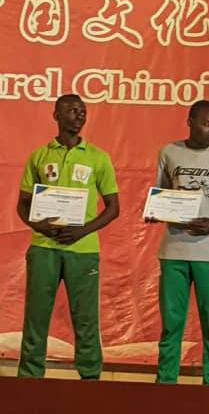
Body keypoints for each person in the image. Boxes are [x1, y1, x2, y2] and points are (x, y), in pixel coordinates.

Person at [16, 94, 120, 379]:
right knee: (36, 316)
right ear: (56, 115)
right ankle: (29, 379)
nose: (79, 115)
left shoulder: (98, 157)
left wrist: (83, 229)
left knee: (85, 319)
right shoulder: (40, 156)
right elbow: (22, 204)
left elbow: (114, 208)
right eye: (72, 110)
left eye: (82, 111)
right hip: (44, 247)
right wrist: (39, 226)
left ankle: (90, 378)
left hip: (83, 250)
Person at [153, 100, 209, 385]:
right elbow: (161, 196)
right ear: (190, 122)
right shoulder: (169, 152)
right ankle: (165, 384)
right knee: (171, 325)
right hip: (174, 251)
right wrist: (156, 211)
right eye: (207, 123)